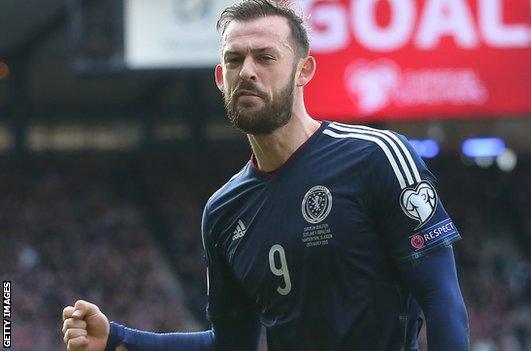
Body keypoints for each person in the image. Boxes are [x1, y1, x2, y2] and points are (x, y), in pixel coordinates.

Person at [61, 0, 469, 350]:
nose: (247, 72)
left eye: (266, 57)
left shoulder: (376, 156)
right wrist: (117, 338)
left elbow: (442, 301)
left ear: (303, 71)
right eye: (234, 60)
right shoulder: (222, 212)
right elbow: (232, 342)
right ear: (221, 79)